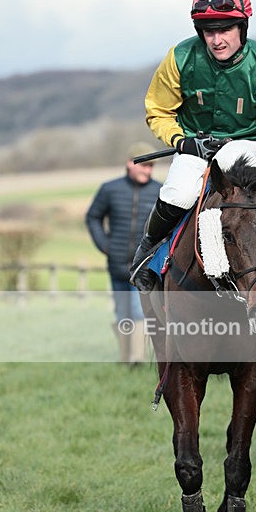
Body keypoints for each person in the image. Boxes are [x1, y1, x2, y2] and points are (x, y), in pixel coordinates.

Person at [129, 0, 256, 291]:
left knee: (230, 159)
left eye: (225, 29)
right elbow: (157, 109)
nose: (217, 40)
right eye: (209, 31)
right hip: (195, 146)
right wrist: (180, 140)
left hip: (249, 146)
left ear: (243, 27)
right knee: (178, 192)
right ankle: (148, 252)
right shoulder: (180, 58)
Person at [85, 141, 161, 362]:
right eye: (144, 165)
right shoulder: (110, 189)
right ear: (130, 163)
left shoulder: (160, 191)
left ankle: (136, 360)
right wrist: (105, 246)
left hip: (143, 266)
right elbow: (93, 217)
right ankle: (125, 357)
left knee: (138, 311)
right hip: (116, 263)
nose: (148, 170)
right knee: (121, 312)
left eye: (151, 167)